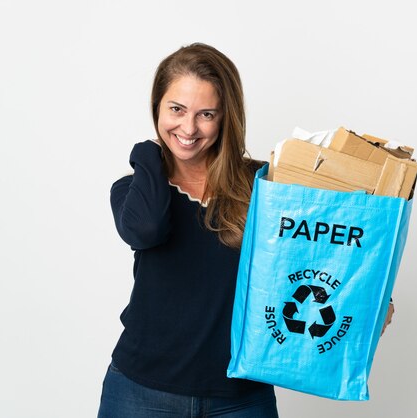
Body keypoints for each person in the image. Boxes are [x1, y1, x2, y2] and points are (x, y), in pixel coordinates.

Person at [97, 43, 280, 418]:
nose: (189, 128)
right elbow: (146, 230)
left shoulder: (263, 185)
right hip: (140, 392)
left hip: (241, 396)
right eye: (176, 110)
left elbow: (324, 242)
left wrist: (369, 305)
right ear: (157, 108)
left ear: (225, 117)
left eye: (206, 114)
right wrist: (147, 153)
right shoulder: (133, 190)